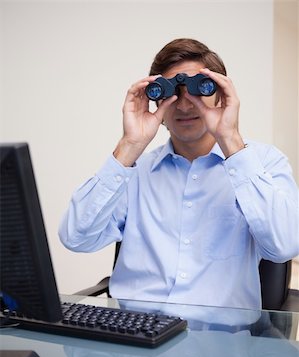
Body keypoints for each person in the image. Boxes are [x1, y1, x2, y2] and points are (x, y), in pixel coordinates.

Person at [59, 38, 299, 308]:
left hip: (218, 342)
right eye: (171, 91)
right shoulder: (135, 171)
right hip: (133, 334)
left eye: (199, 88)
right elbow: (76, 238)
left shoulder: (262, 162)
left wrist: (230, 139)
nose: (184, 105)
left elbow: (285, 245)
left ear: (220, 93)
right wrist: (130, 145)